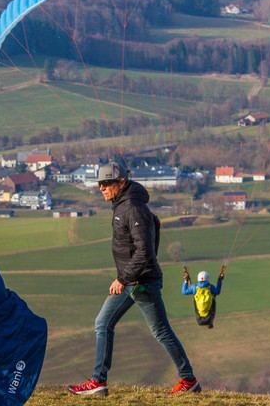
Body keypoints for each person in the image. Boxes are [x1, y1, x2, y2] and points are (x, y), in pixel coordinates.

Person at [68, 161, 200, 396]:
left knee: (113, 325)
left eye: (107, 183)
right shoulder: (123, 205)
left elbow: (144, 250)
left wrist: (123, 279)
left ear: (121, 182)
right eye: (100, 184)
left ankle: (99, 381)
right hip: (136, 280)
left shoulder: (133, 208)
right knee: (149, 329)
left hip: (139, 282)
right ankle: (187, 379)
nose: (101, 188)